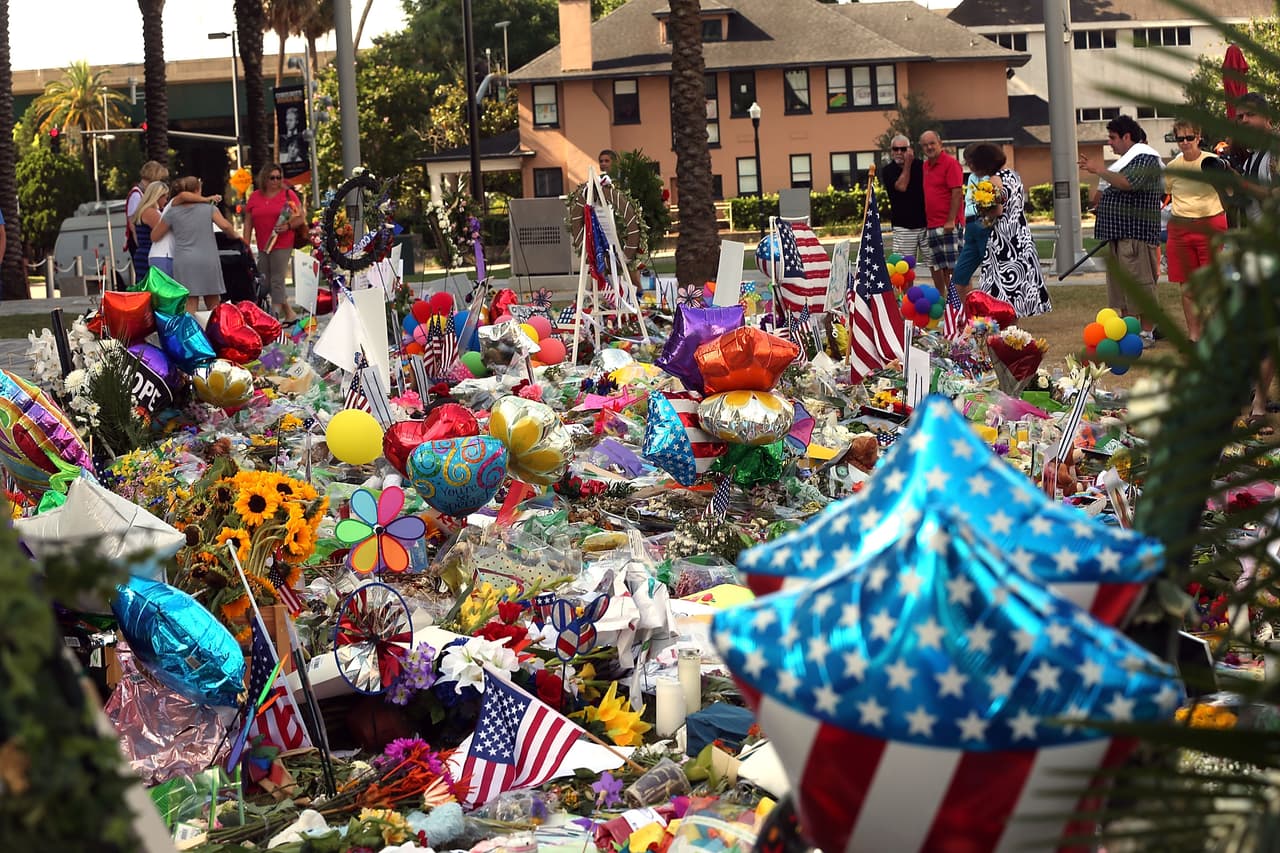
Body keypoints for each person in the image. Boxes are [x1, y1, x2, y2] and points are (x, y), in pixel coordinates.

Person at [1079, 114, 1164, 342]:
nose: (1110, 142)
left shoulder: (1145, 158)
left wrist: (1099, 170)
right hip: (1118, 237)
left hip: (1136, 237)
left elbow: (1129, 184)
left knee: (1141, 287)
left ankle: (1146, 334)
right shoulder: (1127, 161)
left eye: (1113, 137)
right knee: (1123, 292)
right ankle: (1129, 335)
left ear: (1127, 137)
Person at [1164, 120, 1228, 342]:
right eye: (1180, 138)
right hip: (1181, 229)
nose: (1185, 143)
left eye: (1189, 138)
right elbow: (1168, 193)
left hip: (1210, 226)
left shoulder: (1212, 162)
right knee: (1187, 288)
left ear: (1199, 137)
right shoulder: (1172, 167)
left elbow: (1228, 190)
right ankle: (1194, 337)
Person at [969, 143, 1051, 317]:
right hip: (1019, 233)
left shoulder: (994, 180)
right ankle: (1013, 323)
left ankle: (1005, 326)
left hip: (1004, 238)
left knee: (1001, 285)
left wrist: (983, 210)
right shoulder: (1013, 175)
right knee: (1019, 283)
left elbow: (997, 210)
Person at [1235, 92, 1277, 430]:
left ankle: (1259, 407)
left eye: (1249, 116)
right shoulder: (1253, 156)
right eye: (1239, 117)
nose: (1243, 122)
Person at [151, 176, 242, 312]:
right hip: (208, 259)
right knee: (213, 304)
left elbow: (155, 236)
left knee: (190, 304)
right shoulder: (209, 209)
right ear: (198, 189)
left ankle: (191, 332)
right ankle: (215, 331)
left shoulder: (172, 212)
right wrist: (235, 236)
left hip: (185, 261)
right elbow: (225, 226)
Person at [243, 163, 304, 322]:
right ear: (264, 178)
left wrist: (288, 225)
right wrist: (245, 244)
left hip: (282, 243)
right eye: (272, 178)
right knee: (265, 282)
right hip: (264, 244)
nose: (276, 181)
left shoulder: (288, 195)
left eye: (278, 177)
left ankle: (275, 318)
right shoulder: (255, 196)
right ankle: (290, 314)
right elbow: (248, 222)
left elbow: (301, 217)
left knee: (277, 280)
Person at [951, 142, 1003, 297]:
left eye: (971, 161)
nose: (969, 165)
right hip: (971, 223)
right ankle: (964, 313)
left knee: (989, 269)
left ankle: (993, 310)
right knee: (960, 274)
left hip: (984, 224)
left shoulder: (993, 178)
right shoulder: (973, 177)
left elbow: (997, 207)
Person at [878, 134, 931, 277]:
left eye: (903, 149)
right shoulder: (888, 170)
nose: (899, 153)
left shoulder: (922, 166)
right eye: (896, 149)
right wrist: (907, 165)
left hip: (926, 223)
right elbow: (901, 186)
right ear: (891, 151)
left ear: (910, 150)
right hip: (903, 226)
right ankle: (906, 298)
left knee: (935, 265)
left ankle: (942, 295)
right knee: (904, 269)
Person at [919, 130, 964, 292]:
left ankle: (961, 307)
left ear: (940, 144)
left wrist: (951, 220)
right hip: (932, 225)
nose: (929, 147)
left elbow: (957, 192)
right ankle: (951, 308)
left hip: (948, 225)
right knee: (942, 268)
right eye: (925, 145)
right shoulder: (925, 166)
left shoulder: (950, 163)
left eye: (932, 143)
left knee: (954, 270)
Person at [125, 160, 170, 275]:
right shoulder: (136, 195)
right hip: (145, 247)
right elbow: (133, 224)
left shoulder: (142, 195)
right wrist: (139, 244)